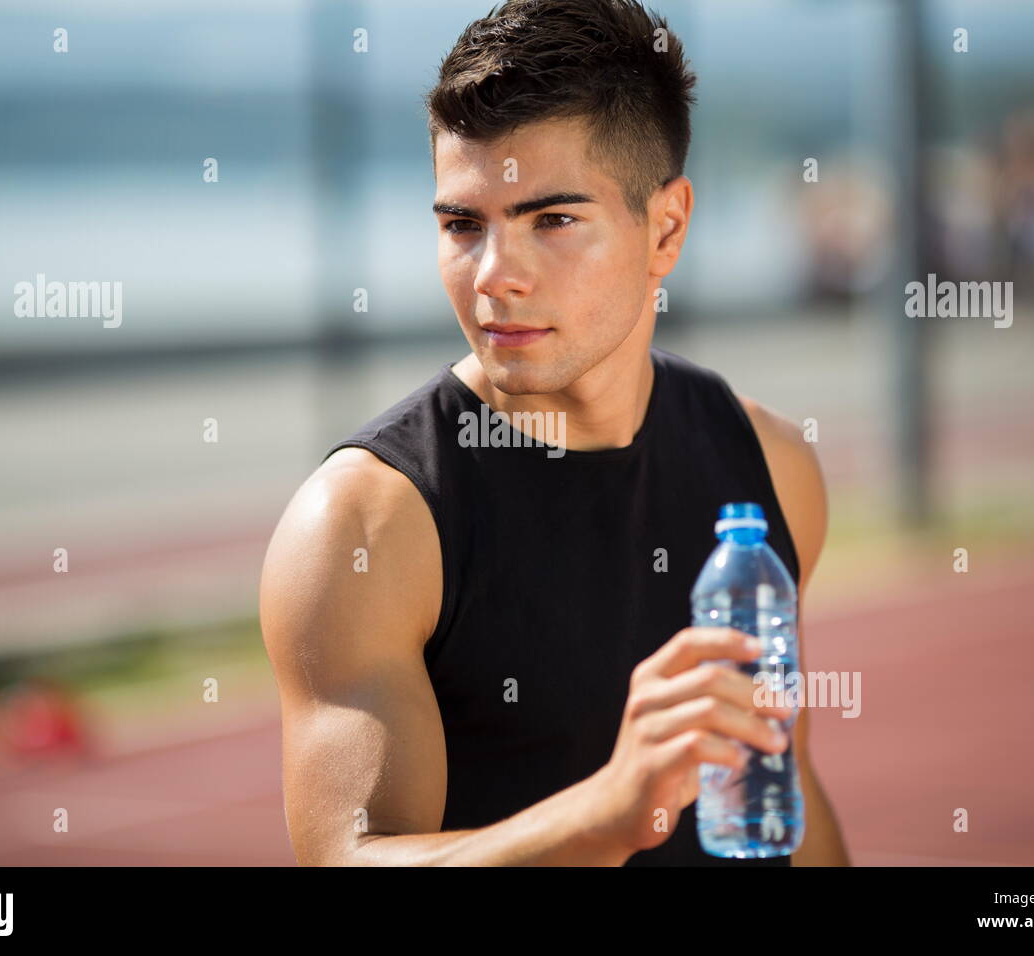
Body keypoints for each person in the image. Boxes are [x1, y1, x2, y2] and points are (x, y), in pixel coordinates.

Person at [260, 0, 850, 866]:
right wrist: (606, 817)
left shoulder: (770, 464)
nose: (496, 278)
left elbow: (783, 780)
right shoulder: (364, 525)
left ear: (667, 229)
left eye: (553, 221)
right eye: (463, 226)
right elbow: (349, 861)